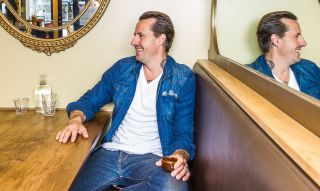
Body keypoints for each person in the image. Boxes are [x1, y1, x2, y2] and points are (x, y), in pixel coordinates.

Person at [56, 11, 195, 191]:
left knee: (175, 187)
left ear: (160, 39)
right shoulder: (122, 69)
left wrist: (179, 156)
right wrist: (75, 120)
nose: (133, 41)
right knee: (64, 182)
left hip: (153, 160)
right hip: (109, 154)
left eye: (140, 36)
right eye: (135, 35)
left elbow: (183, 133)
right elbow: (89, 101)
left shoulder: (183, 78)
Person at [247, 11, 320, 100]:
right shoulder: (247, 78)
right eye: (296, 36)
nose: (304, 43)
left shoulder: (310, 68)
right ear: (276, 40)